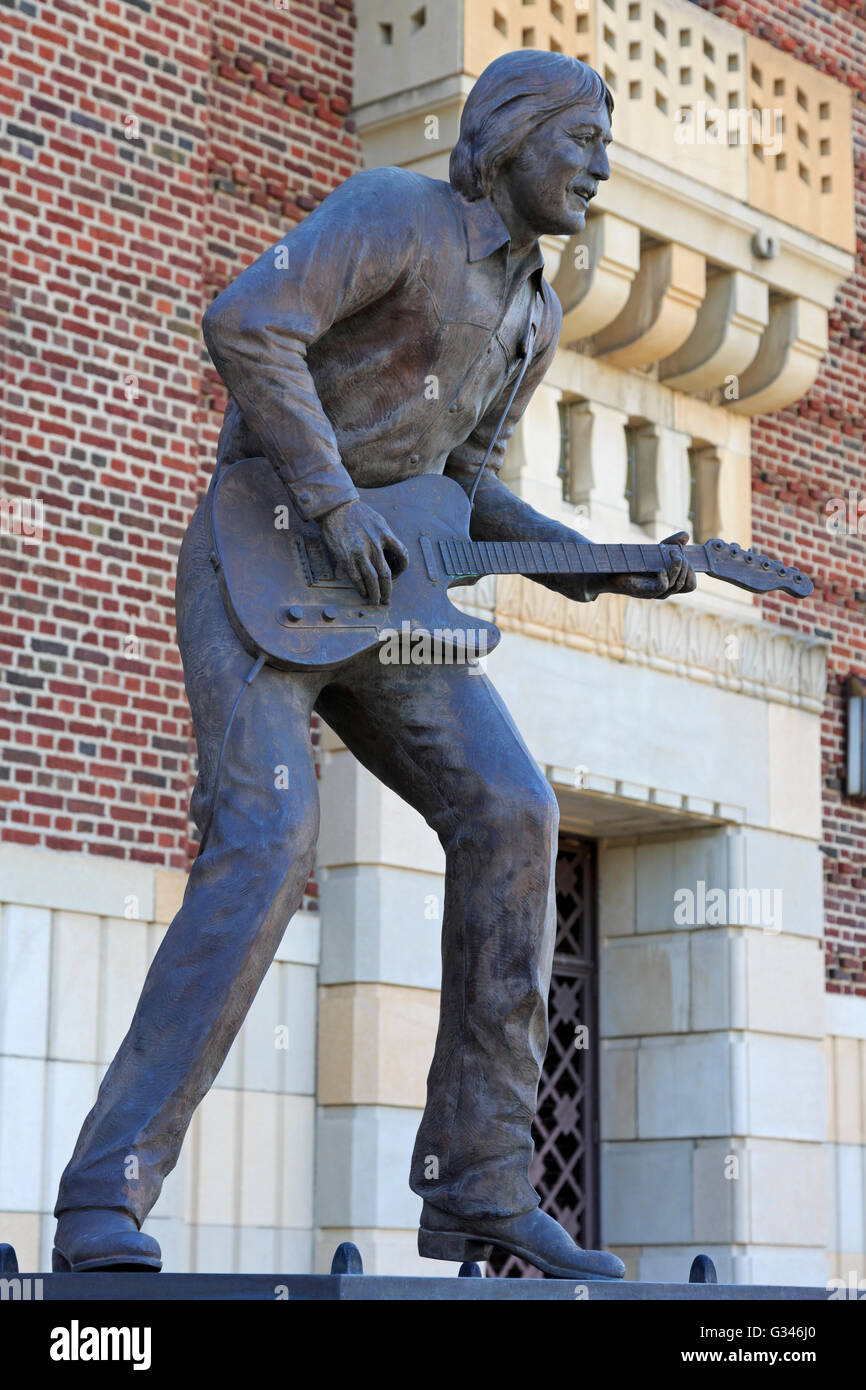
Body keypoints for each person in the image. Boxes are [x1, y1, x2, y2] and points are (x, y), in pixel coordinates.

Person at [53, 49, 694, 1278]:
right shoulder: (392, 214)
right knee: (266, 845)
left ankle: (480, 1183)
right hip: (263, 556)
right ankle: (104, 1193)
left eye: (607, 151)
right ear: (511, 137)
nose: (601, 170)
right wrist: (332, 499)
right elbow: (246, 319)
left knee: (512, 810)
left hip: (378, 598)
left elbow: (463, 496)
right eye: (584, 143)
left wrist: (612, 563)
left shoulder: (532, 314)